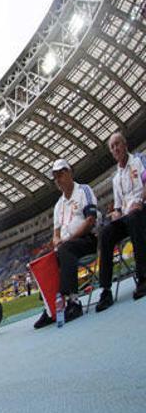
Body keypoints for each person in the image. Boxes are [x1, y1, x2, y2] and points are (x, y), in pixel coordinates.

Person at [32, 159, 95, 328]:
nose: (58, 179)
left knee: (65, 249)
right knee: (42, 258)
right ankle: (50, 308)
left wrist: (67, 240)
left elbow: (90, 220)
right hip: (66, 247)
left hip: (86, 240)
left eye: (60, 174)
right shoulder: (58, 206)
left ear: (70, 173)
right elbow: (55, 234)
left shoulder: (83, 191)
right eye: (55, 177)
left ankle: (74, 302)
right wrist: (57, 241)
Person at [95, 132, 146, 311]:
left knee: (135, 218)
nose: (116, 148)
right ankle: (105, 290)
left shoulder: (139, 160)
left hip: (142, 209)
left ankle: (143, 278)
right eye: (112, 147)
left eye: (118, 144)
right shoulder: (116, 178)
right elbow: (118, 207)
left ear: (125, 145)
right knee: (106, 233)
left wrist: (140, 202)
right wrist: (116, 214)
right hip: (127, 216)